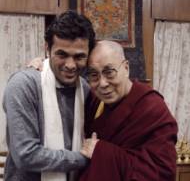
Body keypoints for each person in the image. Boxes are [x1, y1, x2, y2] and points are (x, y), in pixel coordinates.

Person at [2, 10, 95, 181]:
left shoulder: (86, 89)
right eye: (62, 54)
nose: (70, 65)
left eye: (79, 57)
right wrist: (83, 159)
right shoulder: (24, 85)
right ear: (47, 49)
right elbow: (26, 155)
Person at [79, 40, 178, 181]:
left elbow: (162, 172)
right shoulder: (95, 101)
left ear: (126, 68)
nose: (102, 84)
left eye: (109, 72)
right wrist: (42, 66)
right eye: (94, 75)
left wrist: (101, 151)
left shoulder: (152, 108)